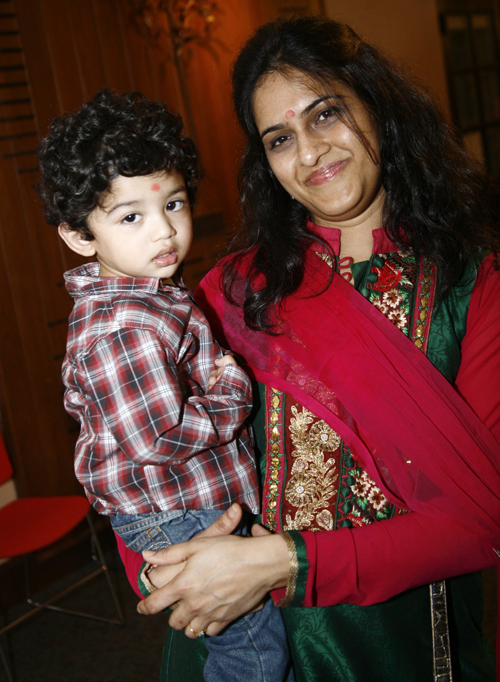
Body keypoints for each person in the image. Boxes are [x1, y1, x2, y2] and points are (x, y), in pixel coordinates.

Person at [117, 16, 500, 682]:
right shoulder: (230, 293)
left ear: (376, 106)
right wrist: (171, 569)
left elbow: (480, 521)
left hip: (409, 639)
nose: (311, 152)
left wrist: (283, 563)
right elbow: (145, 459)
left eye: (326, 114)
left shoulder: (471, 284)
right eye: (280, 138)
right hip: (246, 637)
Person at [36, 88, 293, 682]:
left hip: (188, 499)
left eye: (173, 205)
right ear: (79, 235)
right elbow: (158, 438)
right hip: (175, 510)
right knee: (251, 650)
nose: (165, 233)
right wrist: (234, 395)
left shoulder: (149, 296)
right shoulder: (123, 328)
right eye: (132, 216)